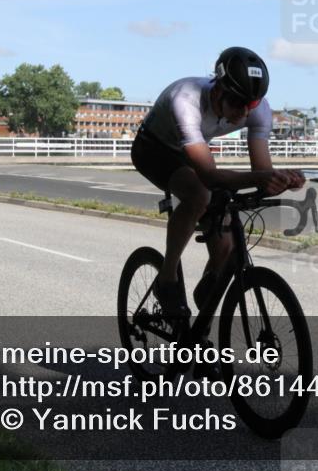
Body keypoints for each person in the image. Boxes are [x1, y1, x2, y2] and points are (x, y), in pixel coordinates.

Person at [131, 47, 305, 317]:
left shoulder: (256, 110)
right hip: (154, 149)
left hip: (192, 150)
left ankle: (202, 314)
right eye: (237, 102)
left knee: (225, 247)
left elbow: (261, 173)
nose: (244, 112)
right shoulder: (186, 100)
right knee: (199, 195)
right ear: (218, 89)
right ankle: (166, 279)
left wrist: (281, 180)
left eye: (252, 105)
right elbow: (210, 176)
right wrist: (264, 177)